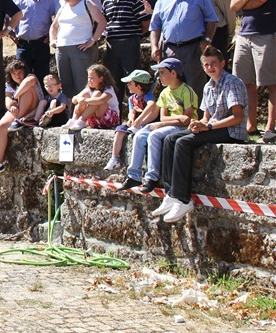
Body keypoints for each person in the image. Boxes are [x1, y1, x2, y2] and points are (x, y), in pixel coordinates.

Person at [152, 47, 248, 223]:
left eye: (214, 64)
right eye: (206, 65)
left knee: (183, 143)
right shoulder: (208, 86)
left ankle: (183, 199)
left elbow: (237, 117)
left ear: (222, 64)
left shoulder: (232, 83)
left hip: (232, 131)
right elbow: (206, 117)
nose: (210, 67)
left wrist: (208, 126)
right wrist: (199, 125)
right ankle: (170, 193)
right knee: (170, 139)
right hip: (214, 127)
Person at [116, 58, 198, 192]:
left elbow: (187, 119)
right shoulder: (164, 93)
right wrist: (147, 122)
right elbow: (162, 116)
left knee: (154, 136)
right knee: (140, 135)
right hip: (168, 124)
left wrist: (164, 122)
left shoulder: (186, 91)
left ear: (174, 73)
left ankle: (151, 177)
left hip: (181, 128)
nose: (159, 77)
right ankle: (133, 176)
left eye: (162, 73)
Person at [230, 0, 276, 142]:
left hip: (266, 32)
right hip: (244, 34)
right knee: (245, 82)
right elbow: (233, 5)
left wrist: (243, 2)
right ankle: (250, 125)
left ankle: (270, 127)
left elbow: (260, 2)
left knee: (270, 82)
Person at [149, 0, 218, 102]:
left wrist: (207, 40)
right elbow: (155, 26)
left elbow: (212, 19)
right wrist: (155, 46)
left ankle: (196, 120)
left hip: (193, 48)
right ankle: (175, 120)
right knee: (171, 86)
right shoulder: (163, 0)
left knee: (195, 87)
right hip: (170, 49)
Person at [50, 0, 107, 100]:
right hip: (62, 50)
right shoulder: (63, 8)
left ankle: (85, 114)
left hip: (81, 48)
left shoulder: (87, 4)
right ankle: (71, 114)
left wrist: (93, 40)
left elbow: (102, 22)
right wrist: (53, 40)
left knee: (82, 84)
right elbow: (53, 27)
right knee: (66, 84)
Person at [0, 60, 44, 177]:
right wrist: (11, 105)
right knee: (1, 126)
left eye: (19, 72)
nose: (17, 76)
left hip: (33, 108)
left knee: (25, 91)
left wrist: (15, 97)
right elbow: (7, 100)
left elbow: (27, 84)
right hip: (18, 109)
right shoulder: (10, 85)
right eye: (14, 74)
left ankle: (18, 120)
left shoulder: (31, 77)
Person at [103, 0, 149, 103]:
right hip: (112, 46)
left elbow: (145, 24)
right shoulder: (107, 1)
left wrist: (133, 36)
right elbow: (104, 22)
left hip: (129, 44)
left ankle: (136, 112)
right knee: (113, 81)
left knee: (133, 79)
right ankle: (116, 116)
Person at [12, 0, 58, 87]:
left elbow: (60, 20)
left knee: (42, 78)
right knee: (21, 76)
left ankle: (43, 103)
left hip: (41, 45)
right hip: (23, 45)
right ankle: (24, 103)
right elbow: (6, 17)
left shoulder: (52, 2)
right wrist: (11, 34)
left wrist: (50, 37)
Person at [104, 70, 157, 171]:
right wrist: (131, 119)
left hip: (146, 123)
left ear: (139, 86)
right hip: (135, 124)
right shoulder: (131, 98)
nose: (127, 85)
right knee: (119, 130)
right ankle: (114, 158)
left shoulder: (148, 96)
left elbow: (151, 105)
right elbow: (131, 111)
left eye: (130, 83)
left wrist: (140, 120)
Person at [63, 64, 120, 131]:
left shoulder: (108, 89)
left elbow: (101, 100)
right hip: (93, 120)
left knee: (97, 94)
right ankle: (74, 119)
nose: (89, 80)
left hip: (109, 120)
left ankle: (81, 120)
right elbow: (74, 99)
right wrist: (80, 99)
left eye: (92, 78)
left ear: (101, 79)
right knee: (84, 95)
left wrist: (85, 101)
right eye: (88, 77)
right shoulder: (89, 89)